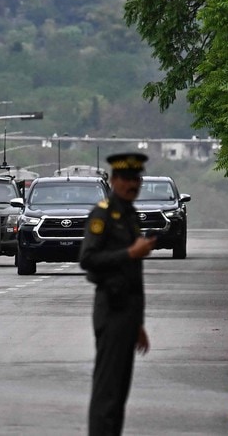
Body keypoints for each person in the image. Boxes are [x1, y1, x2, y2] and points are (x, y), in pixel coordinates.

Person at [79, 152, 156, 436]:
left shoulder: (130, 214)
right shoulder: (103, 214)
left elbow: (134, 277)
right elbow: (88, 259)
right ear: (114, 180)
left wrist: (138, 323)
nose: (131, 184)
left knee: (120, 391)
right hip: (111, 309)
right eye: (125, 179)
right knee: (107, 391)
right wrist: (129, 252)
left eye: (136, 178)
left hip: (127, 313)